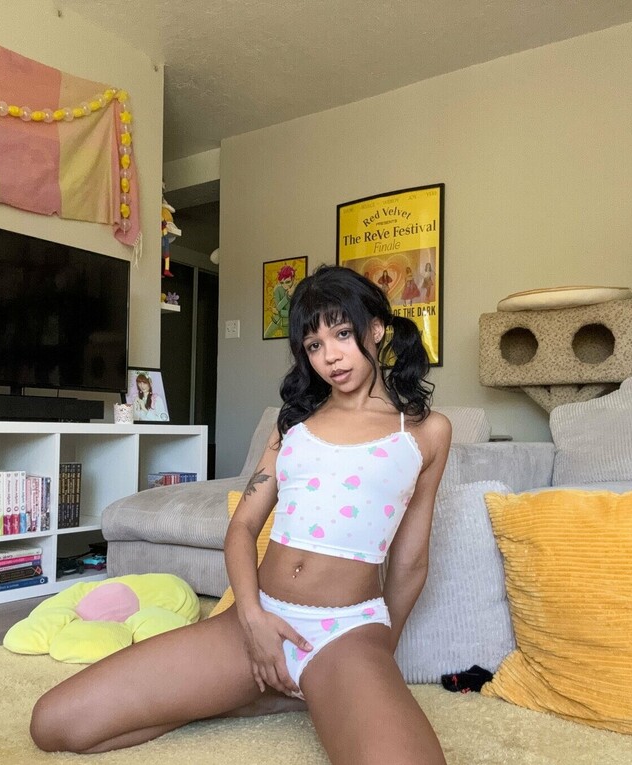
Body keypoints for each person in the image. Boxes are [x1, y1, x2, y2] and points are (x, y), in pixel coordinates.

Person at [31, 265, 452, 764]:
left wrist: (382, 650)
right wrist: (252, 620)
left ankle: (296, 689)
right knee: (54, 723)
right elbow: (244, 526)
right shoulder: (294, 423)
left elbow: (410, 562)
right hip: (259, 617)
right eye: (314, 345)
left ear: (377, 328)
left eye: (342, 333)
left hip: (347, 634)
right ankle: (259, 695)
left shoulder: (425, 432)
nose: (331, 356)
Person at [264, 264, 297, 338]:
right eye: (282, 283)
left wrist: (280, 313)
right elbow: (278, 307)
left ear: (293, 279)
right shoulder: (278, 289)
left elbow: (294, 313)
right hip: (277, 320)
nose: (284, 285)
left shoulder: (298, 290)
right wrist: (288, 296)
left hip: (287, 323)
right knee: (266, 335)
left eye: (287, 282)